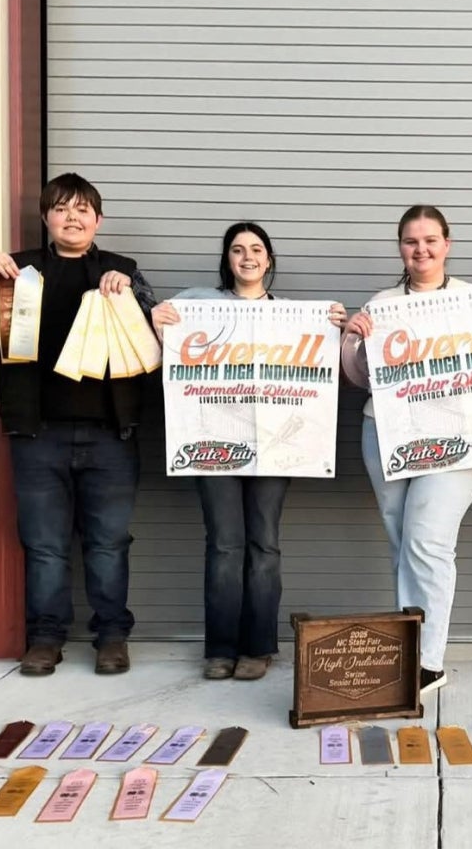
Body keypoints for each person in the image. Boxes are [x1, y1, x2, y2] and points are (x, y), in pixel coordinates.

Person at [342, 205, 472, 696]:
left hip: (459, 437)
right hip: (386, 431)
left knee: (428, 541)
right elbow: (359, 379)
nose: (421, 249)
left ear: (447, 244)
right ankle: (407, 646)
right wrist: (353, 339)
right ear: (400, 248)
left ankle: (428, 662)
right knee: (403, 542)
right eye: (411, 241)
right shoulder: (382, 304)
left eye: (430, 240)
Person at [151, 222, 346, 681]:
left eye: (256, 249)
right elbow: (159, 350)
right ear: (227, 259)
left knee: (264, 544)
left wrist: (335, 324)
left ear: (269, 259)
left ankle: (258, 648)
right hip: (213, 444)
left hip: (275, 447)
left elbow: (327, 359)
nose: (247, 257)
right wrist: (156, 322)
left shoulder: (294, 316)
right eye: (237, 250)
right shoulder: (197, 304)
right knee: (224, 544)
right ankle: (220, 649)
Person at [0, 173, 156, 677]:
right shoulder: (18, 271)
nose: (72, 218)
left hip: (111, 435)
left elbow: (159, 327)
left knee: (109, 543)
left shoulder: (122, 270)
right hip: (38, 434)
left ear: (98, 220)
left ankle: (112, 636)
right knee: (44, 545)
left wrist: (132, 296)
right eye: (61, 208)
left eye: (83, 209)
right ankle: (46, 638)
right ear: (46, 218)